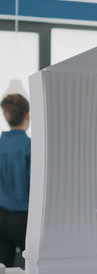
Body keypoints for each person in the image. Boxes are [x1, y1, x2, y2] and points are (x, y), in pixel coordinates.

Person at [0, 94, 31, 268]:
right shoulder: (30, 146)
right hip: (23, 220)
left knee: (3, 268)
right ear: (27, 115)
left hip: (0, 218)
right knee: (32, 267)